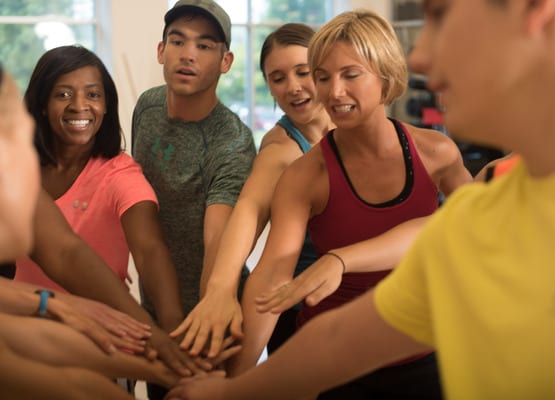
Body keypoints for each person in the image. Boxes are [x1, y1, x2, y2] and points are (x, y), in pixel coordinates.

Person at [166, 1, 555, 399]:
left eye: (440, 15)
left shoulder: (460, 177)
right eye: (320, 77)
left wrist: (339, 259)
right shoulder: (294, 161)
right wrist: (231, 380)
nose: (421, 56)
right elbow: (336, 337)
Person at [227, 9, 471, 399]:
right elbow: (273, 276)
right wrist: (234, 384)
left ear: (385, 75)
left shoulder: (436, 152)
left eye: (350, 74)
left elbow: (476, 230)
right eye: (322, 77)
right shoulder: (305, 176)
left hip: (423, 350)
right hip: (336, 360)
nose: (333, 92)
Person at [13, 45, 203, 379]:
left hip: (104, 338)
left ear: (106, 105)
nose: (79, 106)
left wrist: (170, 328)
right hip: (22, 332)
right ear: (42, 104)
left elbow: (149, 250)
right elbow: (64, 252)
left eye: (93, 94)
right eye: (63, 94)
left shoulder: (119, 173)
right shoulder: (16, 170)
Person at [170, 22, 333, 359]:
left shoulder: (355, 127)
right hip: (304, 315)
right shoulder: (281, 150)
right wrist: (219, 291)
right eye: (278, 78)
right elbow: (248, 209)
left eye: (303, 72)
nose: (293, 87)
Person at [132, 0, 256, 397]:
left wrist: (204, 334)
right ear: (160, 50)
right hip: (151, 305)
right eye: (177, 41)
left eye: (204, 46)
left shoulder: (231, 141)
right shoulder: (147, 106)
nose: (188, 54)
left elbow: (218, 237)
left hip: (206, 321)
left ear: (225, 61)